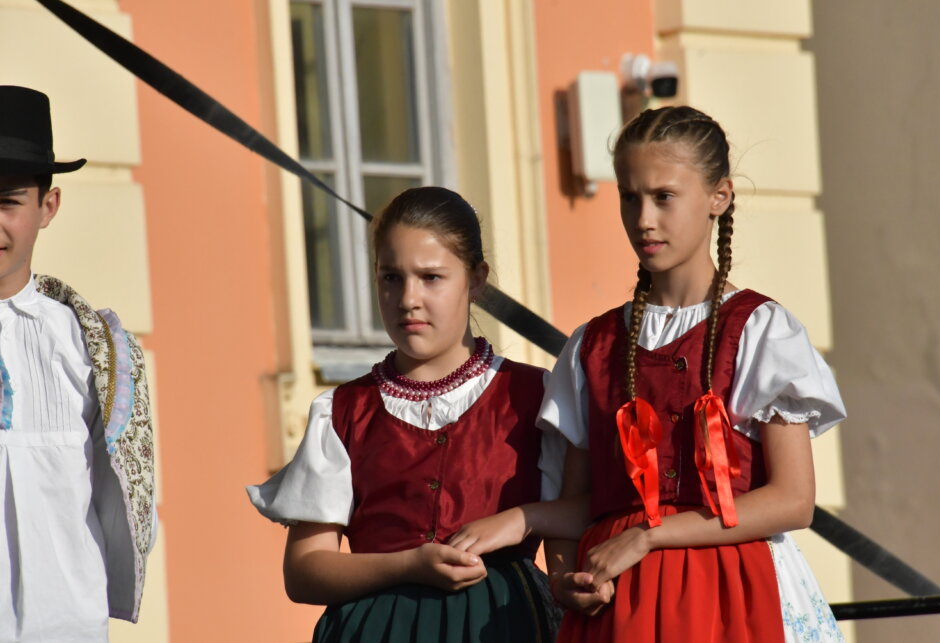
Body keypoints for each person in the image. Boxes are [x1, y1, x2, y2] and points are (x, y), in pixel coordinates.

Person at [540, 105, 847, 642]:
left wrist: (649, 535)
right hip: (620, 606)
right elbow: (578, 503)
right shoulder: (594, 345)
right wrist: (565, 576)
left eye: (663, 197)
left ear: (718, 197)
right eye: (629, 197)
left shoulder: (759, 330)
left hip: (734, 592)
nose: (643, 218)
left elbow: (793, 499)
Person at [248, 186, 560, 642]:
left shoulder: (532, 396)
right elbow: (304, 571)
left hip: (500, 626)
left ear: (476, 280)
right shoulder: (343, 412)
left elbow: (582, 518)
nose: (408, 298)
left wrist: (523, 519)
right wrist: (407, 565)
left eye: (431, 277)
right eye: (391, 277)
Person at [0, 85, 155, 641]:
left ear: (47, 207)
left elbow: (115, 502)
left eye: (7, 200)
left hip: (70, 625)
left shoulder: (95, 347)